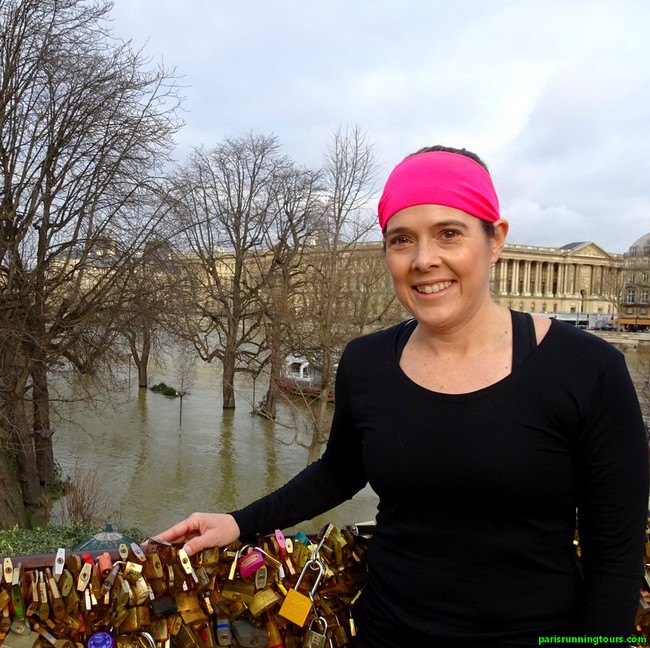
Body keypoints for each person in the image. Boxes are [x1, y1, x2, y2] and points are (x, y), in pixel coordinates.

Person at [157, 146, 649, 647]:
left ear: (496, 240)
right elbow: (341, 471)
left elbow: (615, 555)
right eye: (402, 240)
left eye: (449, 234)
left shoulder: (587, 369)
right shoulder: (367, 362)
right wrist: (240, 522)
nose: (423, 260)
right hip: (385, 634)